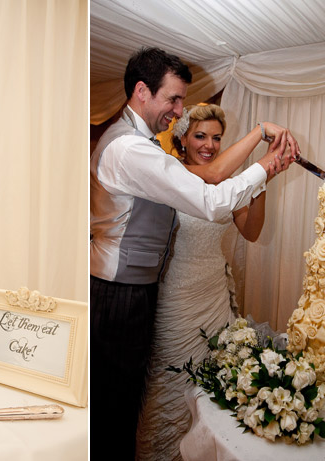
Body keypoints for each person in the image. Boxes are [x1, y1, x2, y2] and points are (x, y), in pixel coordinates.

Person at [90, 47, 298, 460]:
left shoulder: (140, 143)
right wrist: (265, 162)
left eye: (182, 100)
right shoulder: (130, 148)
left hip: (153, 292)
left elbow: (238, 214)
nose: (178, 110)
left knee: (124, 399)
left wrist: (260, 178)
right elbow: (211, 195)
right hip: (119, 291)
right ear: (142, 92)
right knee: (116, 406)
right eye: (173, 99)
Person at [135, 104, 272, 460]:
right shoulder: (171, 170)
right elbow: (209, 175)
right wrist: (260, 144)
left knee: (214, 380)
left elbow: (252, 231)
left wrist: (260, 184)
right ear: (182, 137)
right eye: (200, 136)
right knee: (171, 377)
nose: (209, 144)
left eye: (216, 137)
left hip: (213, 294)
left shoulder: (228, 180)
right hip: (176, 295)